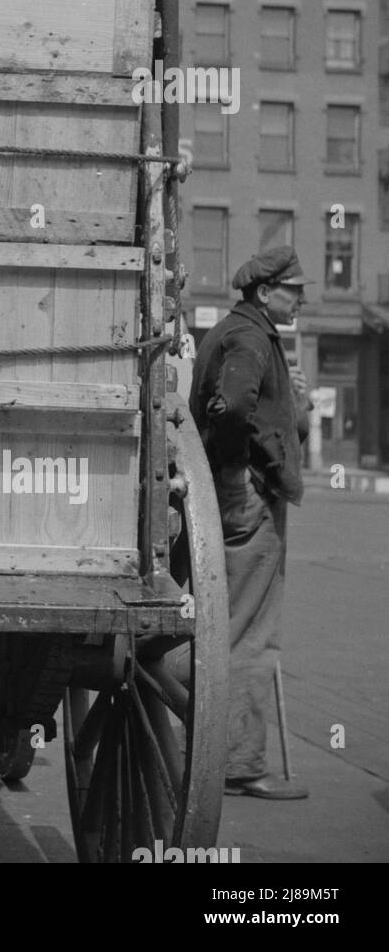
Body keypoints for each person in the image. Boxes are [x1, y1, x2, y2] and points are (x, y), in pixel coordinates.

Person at [189, 245, 314, 800]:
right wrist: (239, 473)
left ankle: (220, 749)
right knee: (249, 631)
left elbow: (254, 410)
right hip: (249, 501)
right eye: (295, 290)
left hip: (236, 492)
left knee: (232, 623)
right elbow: (233, 407)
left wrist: (295, 408)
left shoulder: (234, 332)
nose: (302, 300)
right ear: (266, 293)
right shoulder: (250, 338)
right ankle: (239, 761)